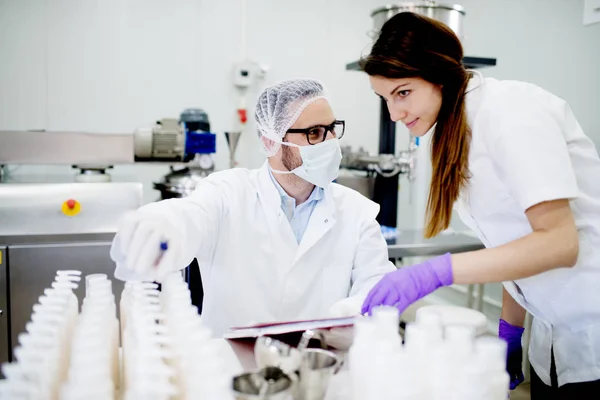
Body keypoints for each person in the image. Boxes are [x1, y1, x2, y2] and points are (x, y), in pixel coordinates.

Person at [358, 11, 600, 398]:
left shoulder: (510, 112)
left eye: (402, 92)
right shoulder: (456, 128)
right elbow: (515, 242)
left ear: (440, 75)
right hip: (553, 338)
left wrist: (436, 272)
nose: (394, 113)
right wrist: (511, 330)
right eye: (385, 98)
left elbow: (559, 243)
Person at [110, 78, 396, 338]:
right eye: (315, 133)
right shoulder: (228, 193)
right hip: (232, 375)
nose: (331, 143)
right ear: (271, 140)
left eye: (333, 129)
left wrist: (350, 318)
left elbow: (377, 284)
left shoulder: (356, 212)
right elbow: (191, 215)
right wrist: (162, 223)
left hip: (320, 371)